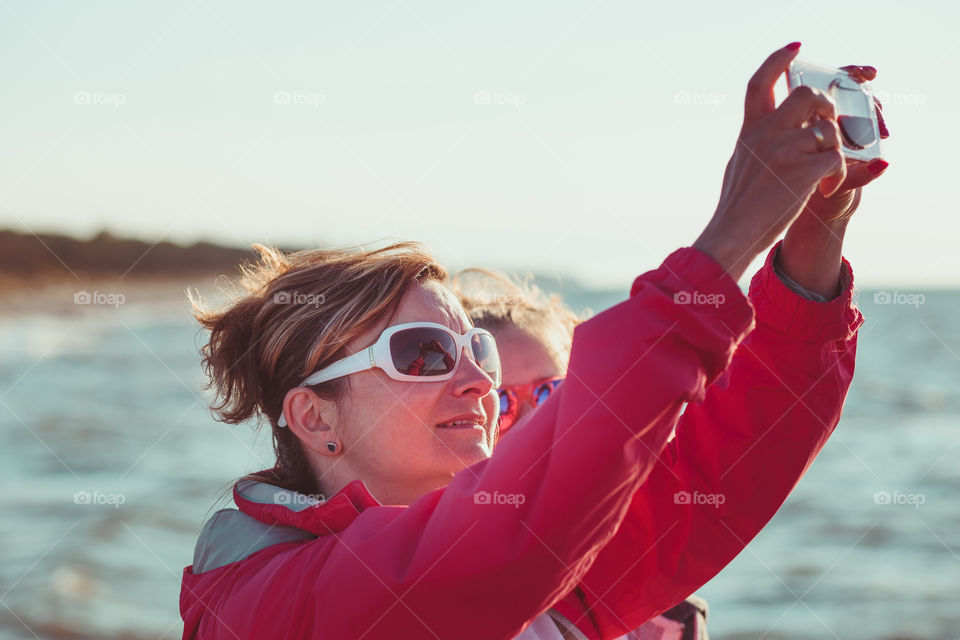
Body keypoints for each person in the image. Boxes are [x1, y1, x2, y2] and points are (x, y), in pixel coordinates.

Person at [179, 43, 889, 640]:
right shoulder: (262, 602)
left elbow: (719, 464)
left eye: (475, 351)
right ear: (314, 418)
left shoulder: (550, 581)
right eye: (422, 353)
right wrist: (730, 238)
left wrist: (812, 236)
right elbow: (499, 548)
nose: (479, 383)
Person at [454, 269, 710, 639]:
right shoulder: (456, 574)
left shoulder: (658, 598)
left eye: (551, 395)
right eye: (503, 401)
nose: (532, 423)